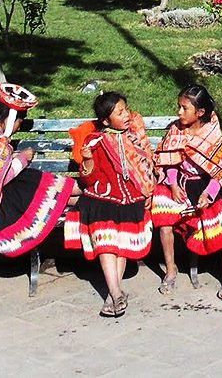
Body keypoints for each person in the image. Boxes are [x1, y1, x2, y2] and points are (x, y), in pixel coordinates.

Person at [152, 84, 222, 300]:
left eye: (184, 108)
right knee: (164, 219)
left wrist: (208, 193)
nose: (179, 112)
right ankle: (171, 270)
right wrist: (173, 184)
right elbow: (168, 160)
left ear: (200, 113)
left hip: (207, 186)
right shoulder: (175, 130)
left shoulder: (211, 134)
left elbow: (220, 171)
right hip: (180, 183)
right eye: (178, 107)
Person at [0, 83, 78, 257]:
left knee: (33, 180)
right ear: (10, 118)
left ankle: (85, 194)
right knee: (35, 182)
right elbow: (2, 178)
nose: (17, 128)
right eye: (18, 123)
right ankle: (89, 193)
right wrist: (23, 158)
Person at [64, 92, 155, 318]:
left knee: (120, 238)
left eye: (126, 110)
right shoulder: (95, 142)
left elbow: (146, 166)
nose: (126, 115)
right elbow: (88, 179)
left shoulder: (134, 135)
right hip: (103, 197)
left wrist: (148, 191)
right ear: (105, 121)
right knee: (106, 236)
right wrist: (87, 160)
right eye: (120, 113)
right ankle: (115, 292)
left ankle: (111, 296)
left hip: (131, 197)